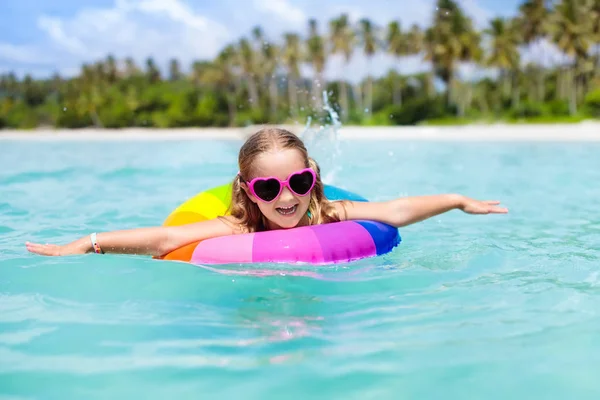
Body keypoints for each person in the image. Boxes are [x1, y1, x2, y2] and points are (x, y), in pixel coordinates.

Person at [26, 127, 508, 257]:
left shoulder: (328, 211)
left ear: (312, 180)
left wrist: (458, 200)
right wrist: (87, 243)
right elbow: (163, 240)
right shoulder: (237, 226)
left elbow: (396, 209)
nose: (287, 197)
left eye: (299, 182)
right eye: (269, 187)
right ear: (248, 192)